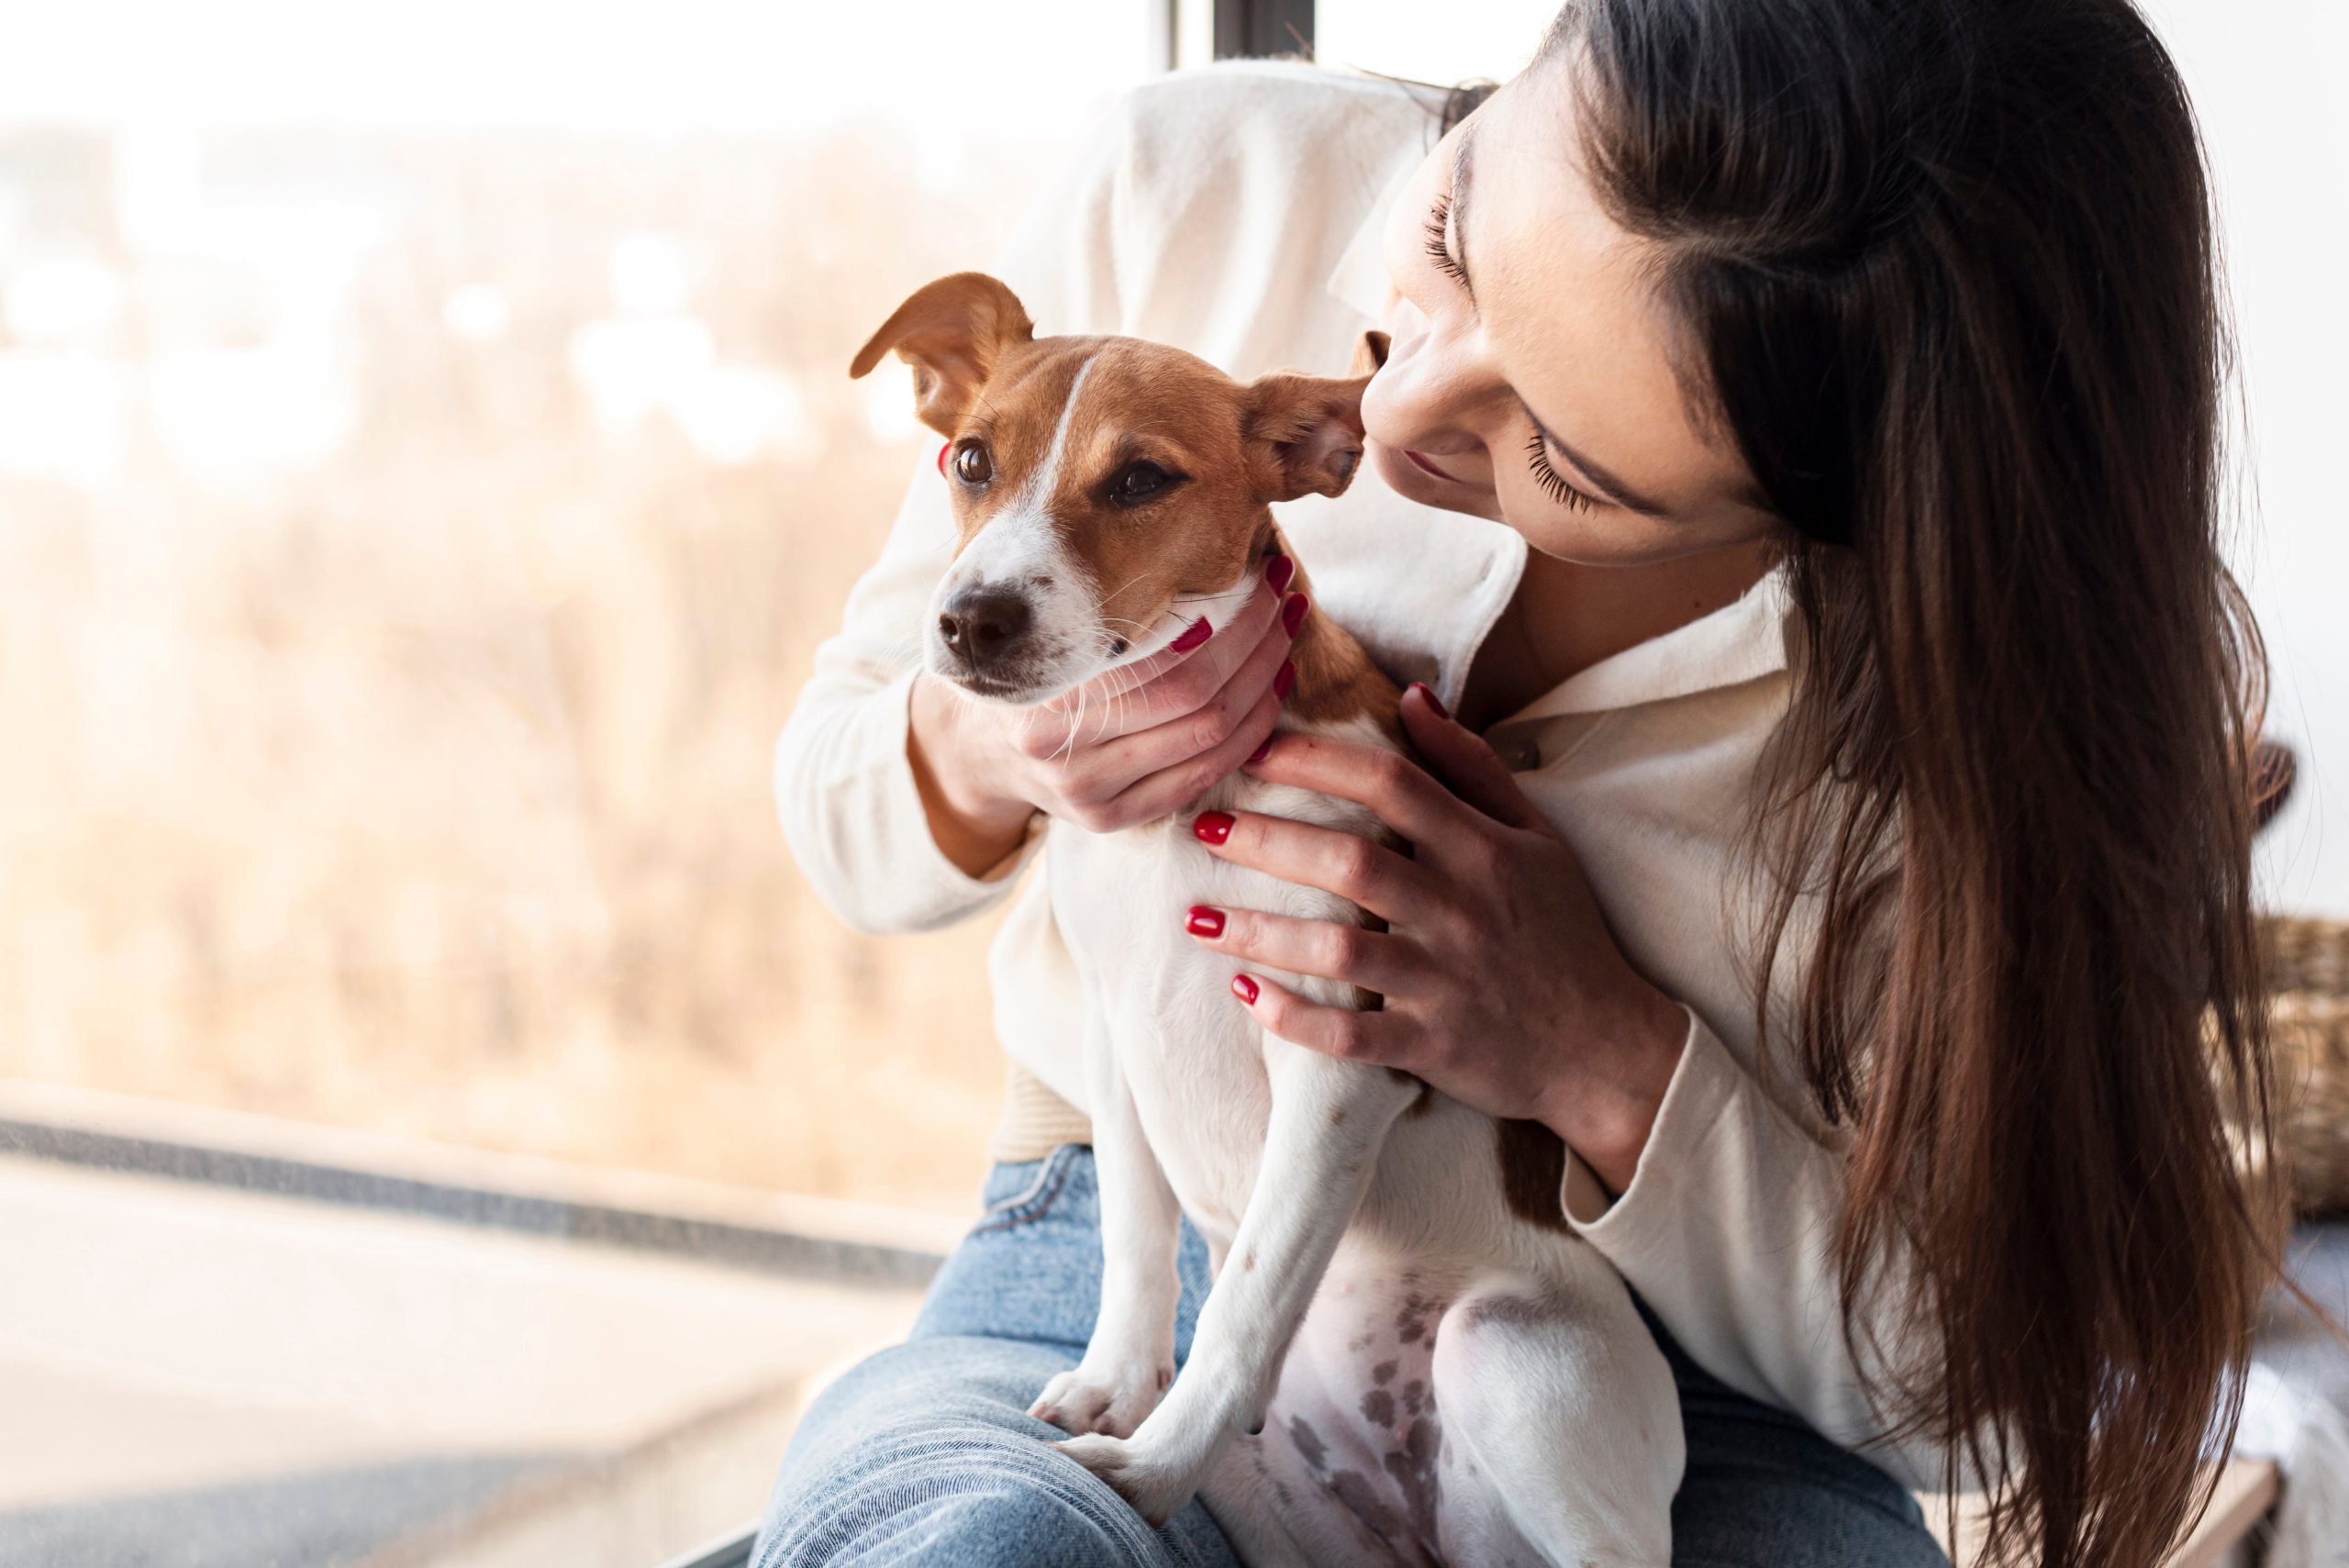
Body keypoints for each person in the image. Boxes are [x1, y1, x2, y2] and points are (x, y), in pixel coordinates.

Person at [759, 2, 2282, 1564]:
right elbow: (834, 806)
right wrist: (1010, 739)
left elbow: (1974, 1386)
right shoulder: (1195, 176)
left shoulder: (1963, 687)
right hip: (1091, 1254)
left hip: (1666, 1366)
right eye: (1453, 233)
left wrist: (1602, 1053)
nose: (1392, 410)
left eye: (1559, 456)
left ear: (1834, 506)